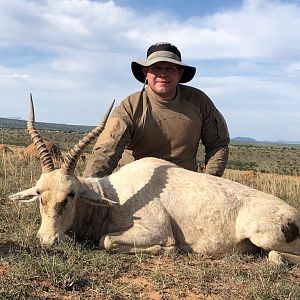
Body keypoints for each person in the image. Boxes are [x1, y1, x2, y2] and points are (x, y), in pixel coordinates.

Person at [84, 42, 230, 178]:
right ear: (145, 72)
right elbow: (105, 152)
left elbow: (218, 145)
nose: (163, 74)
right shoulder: (129, 107)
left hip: (185, 187)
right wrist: (89, 185)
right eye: (156, 68)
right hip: (135, 184)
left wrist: (208, 182)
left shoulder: (200, 101)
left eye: (170, 69)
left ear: (180, 73)